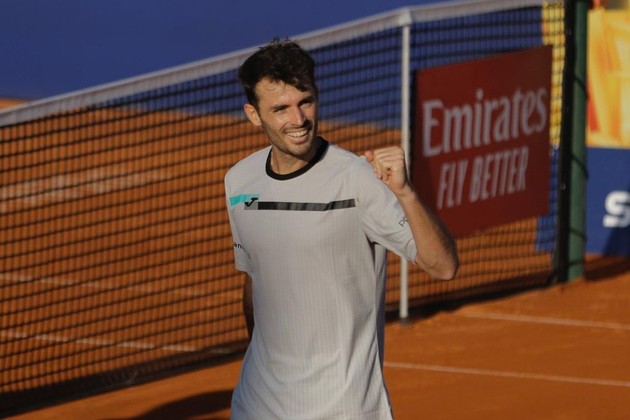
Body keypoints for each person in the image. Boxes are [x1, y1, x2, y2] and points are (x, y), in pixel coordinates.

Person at [224, 39, 458, 420]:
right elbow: (254, 277)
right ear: (253, 114)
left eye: (305, 102)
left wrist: (405, 194)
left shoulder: (358, 181)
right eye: (280, 109)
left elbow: (443, 266)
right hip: (259, 407)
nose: (298, 119)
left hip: (342, 409)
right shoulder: (239, 181)